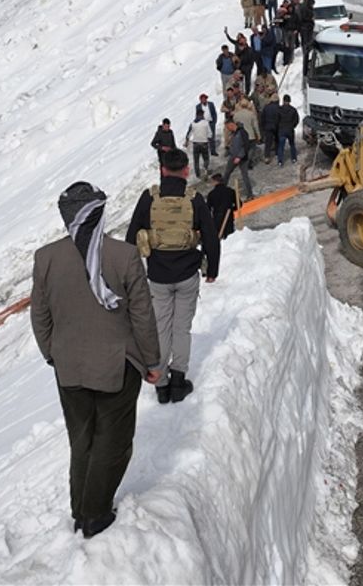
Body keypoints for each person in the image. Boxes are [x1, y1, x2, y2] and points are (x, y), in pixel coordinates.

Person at [31, 182, 161, 539]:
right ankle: (95, 514)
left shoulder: (46, 258)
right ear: (99, 213)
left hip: (69, 369)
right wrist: (152, 362)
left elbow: (40, 317)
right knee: (113, 443)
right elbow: (142, 317)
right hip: (117, 365)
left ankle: (80, 510)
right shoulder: (123, 255)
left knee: (83, 440)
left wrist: (53, 354)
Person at [125, 149, 220, 405]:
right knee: (182, 328)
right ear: (187, 171)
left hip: (157, 276)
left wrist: (133, 274)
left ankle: (162, 385)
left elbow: (131, 236)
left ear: (162, 170)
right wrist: (212, 270)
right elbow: (211, 237)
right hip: (188, 274)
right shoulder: (194, 199)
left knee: (161, 328)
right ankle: (179, 382)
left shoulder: (149, 198)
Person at [222, 114, 254, 199]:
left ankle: (250, 194)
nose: (227, 129)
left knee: (244, 175)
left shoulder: (242, 132)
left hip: (242, 158)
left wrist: (239, 157)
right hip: (233, 157)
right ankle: (221, 191)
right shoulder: (233, 134)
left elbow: (246, 146)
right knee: (226, 173)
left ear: (231, 125)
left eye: (227, 127)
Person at [206, 173, 238, 239]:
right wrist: (232, 209)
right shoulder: (230, 191)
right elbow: (239, 204)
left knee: (219, 239)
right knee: (230, 238)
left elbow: (207, 209)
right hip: (229, 218)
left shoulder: (211, 194)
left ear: (215, 181)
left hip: (217, 219)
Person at [224, 27, 256, 94]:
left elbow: (252, 59)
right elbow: (230, 40)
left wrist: (250, 67)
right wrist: (227, 34)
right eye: (238, 38)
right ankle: (239, 92)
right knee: (238, 80)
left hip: (247, 67)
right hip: (240, 66)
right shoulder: (236, 44)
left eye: (241, 38)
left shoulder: (249, 49)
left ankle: (247, 92)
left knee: (247, 80)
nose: (240, 40)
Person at [185, 107, 212, 176]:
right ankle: (206, 169)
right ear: (202, 115)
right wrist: (209, 138)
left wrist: (187, 141)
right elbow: (210, 134)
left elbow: (188, 134)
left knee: (196, 160)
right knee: (206, 158)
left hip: (196, 144)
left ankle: (197, 174)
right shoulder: (206, 123)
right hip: (204, 143)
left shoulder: (193, 123)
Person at [276, 95, 300, 166]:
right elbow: (296, 120)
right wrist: (293, 126)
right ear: (289, 101)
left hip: (282, 130)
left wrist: (279, 127)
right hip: (290, 130)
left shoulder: (279, 109)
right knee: (292, 145)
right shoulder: (293, 110)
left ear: (283, 100)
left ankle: (280, 161)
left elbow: (276, 120)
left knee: (281, 146)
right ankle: (294, 158)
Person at [260, 95, 281, 164]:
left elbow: (262, 117)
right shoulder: (279, 108)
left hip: (268, 126)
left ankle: (267, 156)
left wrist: (263, 126)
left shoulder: (266, 107)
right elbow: (280, 117)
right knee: (277, 140)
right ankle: (277, 153)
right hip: (276, 126)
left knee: (268, 142)